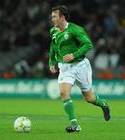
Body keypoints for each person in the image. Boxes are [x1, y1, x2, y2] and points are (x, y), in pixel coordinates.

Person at [48, 5, 110, 133]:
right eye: (52, 16)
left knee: (89, 98)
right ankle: (75, 125)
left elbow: (88, 44)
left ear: (62, 17)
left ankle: (103, 104)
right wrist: (51, 62)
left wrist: (73, 55)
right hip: (65, 68)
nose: (52, 18)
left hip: (80, 66)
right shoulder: (53, 31)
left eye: (54, 16)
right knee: (63, 93)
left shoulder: (75, 29)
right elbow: (53, 47)